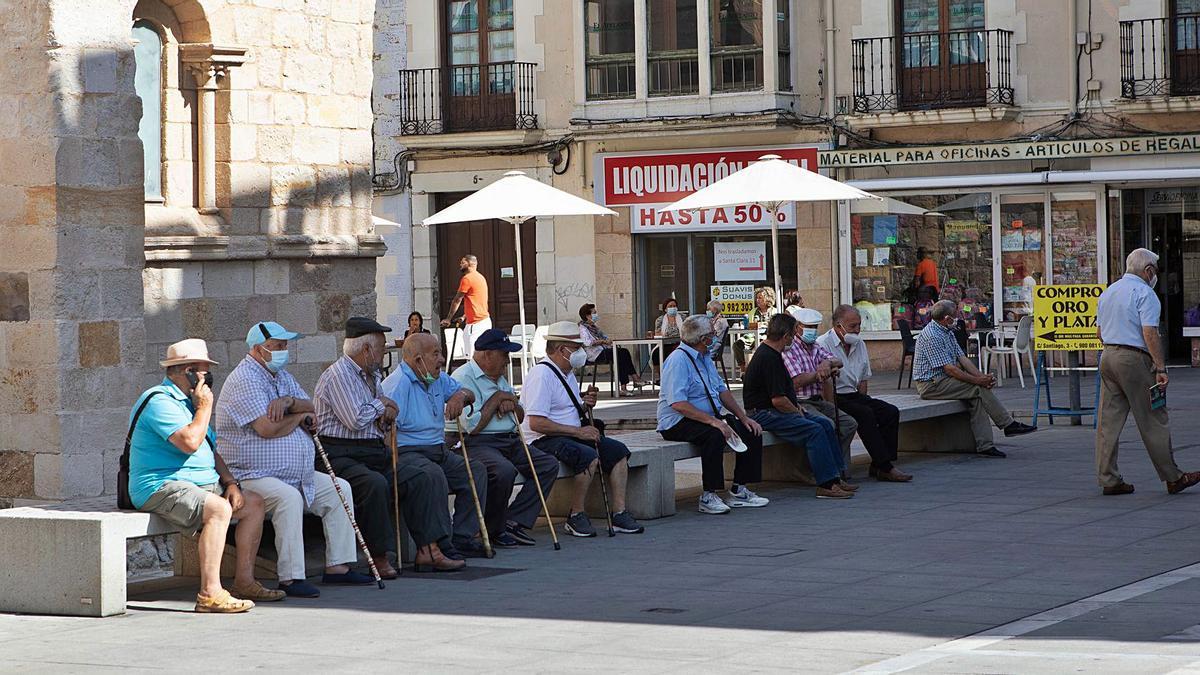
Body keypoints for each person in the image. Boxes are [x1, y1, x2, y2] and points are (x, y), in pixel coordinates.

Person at [217, 321, 376, 598]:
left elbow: (310, 406)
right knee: (288, 498)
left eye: (285, 345)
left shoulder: (281, 377)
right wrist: (299, 418)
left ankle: (338, 566)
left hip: (292, 471)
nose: (284, 350)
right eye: (278, 346)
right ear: (259, 349)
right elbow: (266, 428)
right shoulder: (245, 379)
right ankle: (291, 577)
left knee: (340, 489)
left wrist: (290, 403)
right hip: (252, 474)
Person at [128, 339, 283, 612]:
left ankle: (244, 580)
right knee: (218, 509)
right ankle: (209, 593)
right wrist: (204, 408)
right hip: (160, 485)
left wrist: (231, 482)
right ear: (185, 371)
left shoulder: (191, 402)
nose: (207, 378)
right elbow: (189, 441)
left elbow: (210, 448)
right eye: (202, 371)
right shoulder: (159, 401)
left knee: (253, 503)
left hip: (200, 484)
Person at [314, 317, 463, 574]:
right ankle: (380, 556)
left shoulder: (371, 376)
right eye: (382, 348)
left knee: (424, 475)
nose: (385, 353)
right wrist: (382, 405)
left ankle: (429, 549)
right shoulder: (338, 375)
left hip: (371, 450)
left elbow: (378, 416)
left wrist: (385, 413)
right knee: (374, 484)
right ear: (367, 350)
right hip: (340, 453)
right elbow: (355, 419)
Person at [520, 321, 645, 537]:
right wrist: (578, 432)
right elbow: (536, 423)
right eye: (577, 348)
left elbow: (565, 408)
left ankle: (619, 513)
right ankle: (576, 515)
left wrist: (584, 405)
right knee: (587, 456)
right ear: (561, 350)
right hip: (543, 438)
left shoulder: (566, 372)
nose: (581, 353)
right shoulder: (542, 375)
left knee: (618, 452)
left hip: (568, 433)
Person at [1095, 248, 1200, 496]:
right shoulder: (1145, 293)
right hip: (1133, 358)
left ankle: (1108, 478)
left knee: (1108, 423)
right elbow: (1149, 333)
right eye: (1156, 271)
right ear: (1149, 270)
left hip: (1108, 356)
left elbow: (1099, 332)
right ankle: (1173, 477)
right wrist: (1160, 367)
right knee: (1154, 418)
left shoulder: (1109, 291)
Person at [380, 333, 489, 559]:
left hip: (438, 449)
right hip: (407, 452)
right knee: (433, 475)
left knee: (475, 471)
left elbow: (467, 393)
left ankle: (463, 537)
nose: (442, 359)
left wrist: (459, 396)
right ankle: (441, 544)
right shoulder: (397, 385)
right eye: (436, 354)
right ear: (418, 360)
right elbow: (385, 432)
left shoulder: (435, 376)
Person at [449, 329, 560, 547]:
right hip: (478, 443)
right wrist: (498, 398)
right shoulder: (463, 378)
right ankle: (493, 530)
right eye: (504, 355)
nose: (507, 361)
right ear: (487, 354)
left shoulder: (499, 377)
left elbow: (519, 417)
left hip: (510, 439)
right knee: (503, 471)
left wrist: (511, 404)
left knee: (547, 465)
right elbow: (473, 427)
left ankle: (513, 520)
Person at [658, 315, 769, 514]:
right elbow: (678, 403)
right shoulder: (678, 360)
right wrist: (714, 422)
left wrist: (743, 417)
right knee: (714, 435)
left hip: (706, 416)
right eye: (712, 333)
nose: (715, 337)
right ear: (702, 339)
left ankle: (739, 489)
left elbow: (721, 390)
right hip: (677, 421)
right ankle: (709, 494)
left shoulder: (705, 357)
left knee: (750, 429)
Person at [742, 314, 856, 499]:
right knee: (815, 430)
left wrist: (795, 408)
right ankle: (825, 484)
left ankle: (836, 477)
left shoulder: (774, 354)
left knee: (826, 424)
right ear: (786, 336)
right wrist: (797, 412)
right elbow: (778, 400)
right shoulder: (768, 358)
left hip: (778, 409)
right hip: (763, 413)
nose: (794, 339)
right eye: (793, 334)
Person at [913, 300, 1036, 457]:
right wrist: (978, 381)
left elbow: (962, 359)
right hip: (931, 385)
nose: (958, 318)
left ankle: (985, 445)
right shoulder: (931, 336)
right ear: (946, 318)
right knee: (977, 388)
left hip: (943, 381)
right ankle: (1008, 424)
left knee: (977, 398)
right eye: (955, 315)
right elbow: (950, 369)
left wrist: (982, 377)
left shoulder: (947, 331)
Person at [819, 306, 912, 482]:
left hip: (853, 394)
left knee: (889, 412)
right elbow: (824, 383)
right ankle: (885, 467)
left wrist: (864, 399)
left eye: (859, 325)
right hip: (835, 395)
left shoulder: (859, 343)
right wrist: (832, 408)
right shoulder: (823, 343)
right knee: (865, 414)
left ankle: (880, 463)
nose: (857, 330)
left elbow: (863, 378)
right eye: (853, 326)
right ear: (839, 326)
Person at [782, 308, 858, 471]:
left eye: (815, 327)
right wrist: (819, 374)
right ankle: (824, 470)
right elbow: (796, 381)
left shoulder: (814, 346)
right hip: (801, 401)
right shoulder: (790, 349)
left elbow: (836, 360)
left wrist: (827, 364)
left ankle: (836, 466)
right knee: (827, 425)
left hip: (817, 400)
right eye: (809, 327)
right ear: (797, 327)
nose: (813, 331)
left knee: (848, 424)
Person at [578, 302, 643, 396]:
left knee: (623, 353)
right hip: (595, 354)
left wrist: (608, 340)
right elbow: (587, 342)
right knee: (620, 354)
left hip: (603, 350)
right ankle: (633, 379)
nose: (596, 315)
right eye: (594, 313)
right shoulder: (583, 328)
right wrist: (603, 342)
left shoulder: (594, 328)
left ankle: (629, 383)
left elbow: (604, 337)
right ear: (588, 316)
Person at [442, 254, 490, 358]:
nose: (460, 264)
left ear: (471, 263)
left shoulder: (467, 279)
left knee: (474, 359)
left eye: (463, 262)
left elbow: (457, 299)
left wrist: (448, 319)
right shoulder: (481, 277)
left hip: (475, 324)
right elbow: (477, 302)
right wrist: (464, 316)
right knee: (482, 357)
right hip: (484, 322)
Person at [734, 286, 778, 378]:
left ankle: (755, 372)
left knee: (758, 347)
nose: (757, 300)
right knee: (737, 345)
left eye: (760, 298)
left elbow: (776, 328)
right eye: (757, 298)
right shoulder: (753, 311)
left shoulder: (774, 311)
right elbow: (748, 325)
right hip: (752, 335)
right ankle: (744, 370)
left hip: (767, 337)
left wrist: (765, 325)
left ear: (768, 298)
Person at [653, 297, 683, 361]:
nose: (673, 308)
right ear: (665, 309)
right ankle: (660, 371)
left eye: (674, 306)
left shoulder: (683, 318)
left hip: (680, 344)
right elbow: (658, 334)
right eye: (670, 306)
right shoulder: (660, 320)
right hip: (665, 344)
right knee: (656, 354)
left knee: (675, 353)